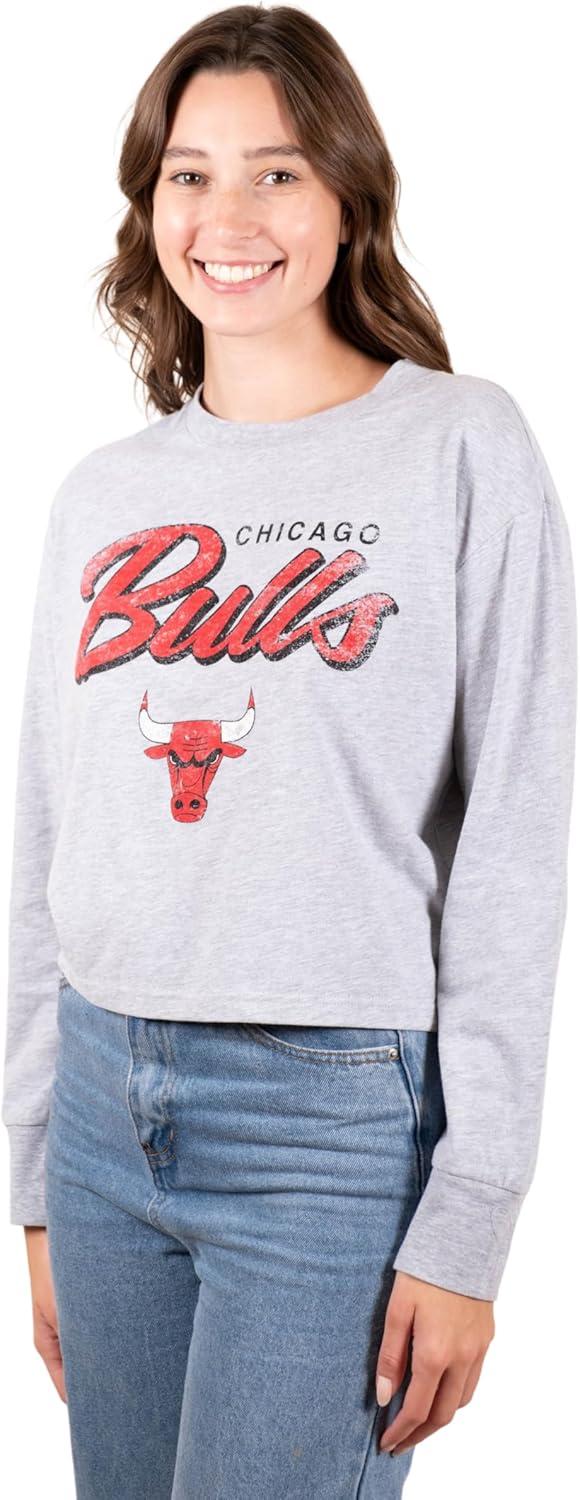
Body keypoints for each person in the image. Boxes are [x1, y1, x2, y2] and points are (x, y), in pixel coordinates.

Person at [2, 6, 576, 1498]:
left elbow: (516, 839)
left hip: (330, 1126)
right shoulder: (101, 496)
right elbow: (47, 836)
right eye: (188, 176)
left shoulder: (463, 446)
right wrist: (36, 1175)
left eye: (276, 173)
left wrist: (469, 1219)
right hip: (103, 1109)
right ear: (149, 207)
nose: (229, 218)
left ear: (347, 195)